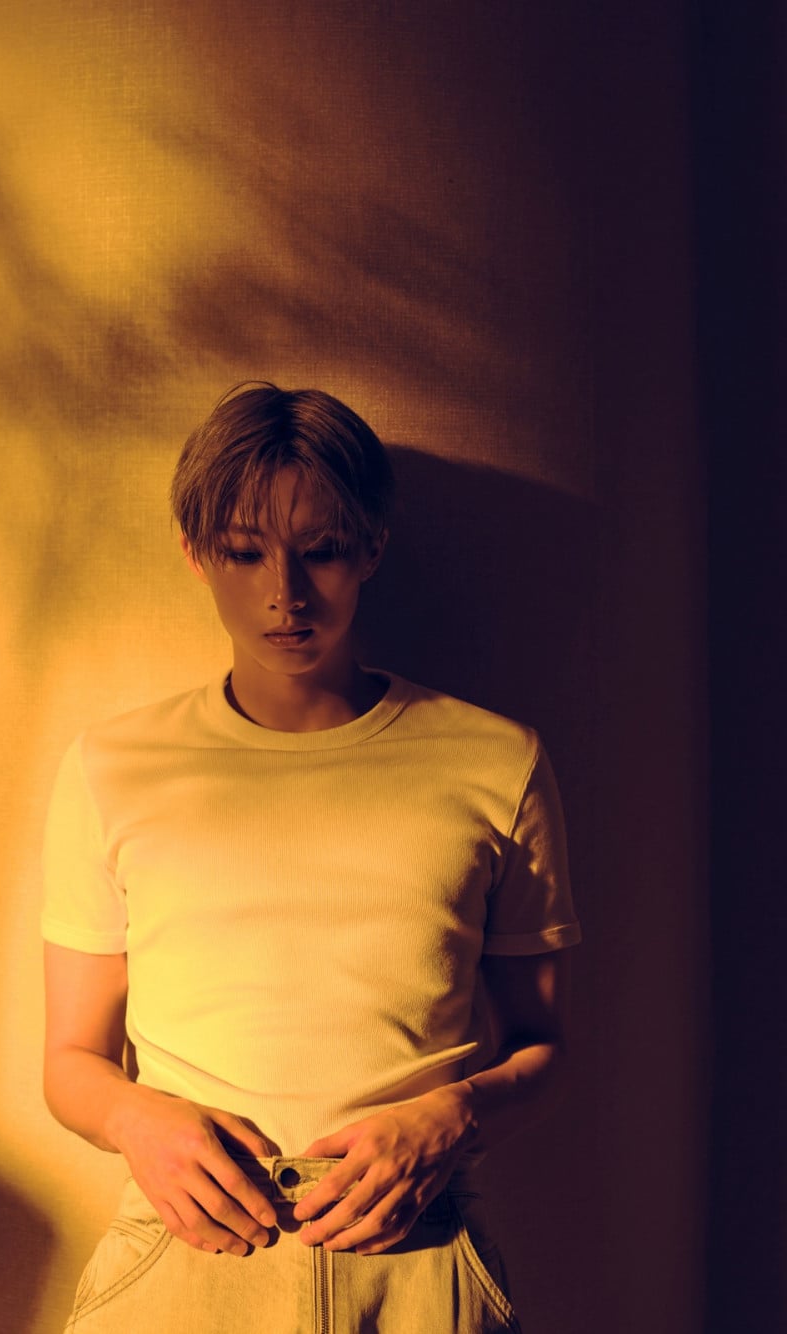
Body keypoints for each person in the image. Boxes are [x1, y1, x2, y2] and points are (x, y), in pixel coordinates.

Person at [41, 383, 580, 1333]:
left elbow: (541, 1046)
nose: (284, 594)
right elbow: (72, 1059)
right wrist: (135, 1120)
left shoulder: (497, 760)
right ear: (196, 554)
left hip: (415, 1261)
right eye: (245, 552)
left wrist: (452, 1118)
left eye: (320, 549)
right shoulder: (111, 766)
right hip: (185, 1256)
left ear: (371, 546)